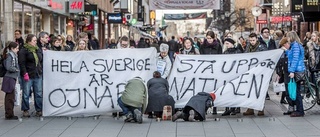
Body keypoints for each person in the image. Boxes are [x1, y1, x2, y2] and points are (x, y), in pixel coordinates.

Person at [18, 34, 43, 117]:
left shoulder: (37, 49)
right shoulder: (23, 50)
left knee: (38, 93)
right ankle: (25, 109)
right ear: (29, 41)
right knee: (26, 93)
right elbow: (22, 63)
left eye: (36, 40)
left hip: (37, 74)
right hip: (28, 74)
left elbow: (41, 59)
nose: (36, 42)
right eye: (34, 41)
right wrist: (25, 73)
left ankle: (39, 109)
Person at [243, 33, 267, 116]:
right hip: (251, 71)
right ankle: (250, 108)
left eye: (253, 40)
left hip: (260, 72)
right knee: (250, 90)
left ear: (256, 39)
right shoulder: (248, 47)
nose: (252, 42)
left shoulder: (262, 47)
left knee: (259, 90)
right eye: (250, 40)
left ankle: (261, 109)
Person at [282, 31, 305, 117]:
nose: (287, 39)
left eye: (288, 37)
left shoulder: (295, 46)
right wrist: (286, 51)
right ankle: (298, 109)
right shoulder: (296, 45)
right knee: (296, 90)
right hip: (298, 70)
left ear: (291, 37)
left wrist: (291, 71)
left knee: (297, 91)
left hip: (297, 71)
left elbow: (295, 59)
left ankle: (300, 110)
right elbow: (292, 56)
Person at [221, 38, 242, 116]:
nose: (226, 45)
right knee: (228, 91)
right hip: (227, 74)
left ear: (232, 44)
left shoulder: (238, 52)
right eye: (225, 44)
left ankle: (236, 108)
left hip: (236, 74)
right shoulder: (225, 52)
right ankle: (228, 108)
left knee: (236, 91)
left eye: (227, 43)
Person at [1, 42, 20, 120]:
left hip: (11, 77)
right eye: (16, 48)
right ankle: (9, 114)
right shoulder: (10, 56)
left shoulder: (12, 55)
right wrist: (16, 69)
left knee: (10, 96)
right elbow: (8, 67)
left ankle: (10, 113)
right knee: (10, 96)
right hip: (10, 77)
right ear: (12, 48)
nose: (18, 50)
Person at [277, 38, 294, 115]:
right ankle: (291, 107)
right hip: (285, 73)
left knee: (291, 91)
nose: (288, 45)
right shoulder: (282, 52)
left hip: (291, 73)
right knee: (287, 91)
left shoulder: (290, 51)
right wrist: (279, 73)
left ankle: (293, 106)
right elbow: (279, 63)